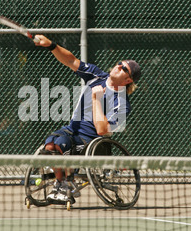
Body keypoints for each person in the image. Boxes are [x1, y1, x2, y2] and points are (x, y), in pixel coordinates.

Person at [33, 34, 141, 206]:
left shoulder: (122, 104)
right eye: (119, 63)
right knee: (50, 144)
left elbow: (102, 130)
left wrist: (96, 99)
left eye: (124, 69)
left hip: (91, 140)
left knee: (60, 145)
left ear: (128, 80)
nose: (118, 66)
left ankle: (64, 185)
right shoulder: (97, 76)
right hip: (72, 129)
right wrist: (51, 45)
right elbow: (71, 61)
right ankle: (61, 184)